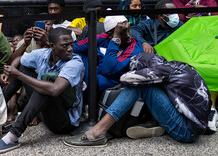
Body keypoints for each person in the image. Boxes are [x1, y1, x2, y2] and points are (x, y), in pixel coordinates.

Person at [64, 53, 210, 147]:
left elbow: (127, 78)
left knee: (140, 86)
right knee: (153, 87)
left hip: (186, 132)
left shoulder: (160, 70)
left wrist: (133, 72)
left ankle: (98, 132)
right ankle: (153, 123)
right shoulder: (176, 66)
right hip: (194, 126)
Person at [0, 28, 84, 154]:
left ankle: (13, 136)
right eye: (65, 46)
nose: (70, 49)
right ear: (52, 46)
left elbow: (55, 90)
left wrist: (18, 75)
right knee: (23, 68)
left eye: (71, 45)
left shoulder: (75, 62)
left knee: (45, 88)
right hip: (45, 112)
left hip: (63, 121)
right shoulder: (43, 54)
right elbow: (19, 59)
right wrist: (10, 71)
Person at [73, 15, 144, 92]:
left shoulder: (134, 47)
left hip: (115, 80)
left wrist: (116, 39)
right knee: (77, 56)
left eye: (128, 30)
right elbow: (75, 47)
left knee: (98, 81)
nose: (128, 35)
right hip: (95, 74)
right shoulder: (104, 37)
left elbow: (108, 71)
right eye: (122, 33)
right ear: (110, 35)